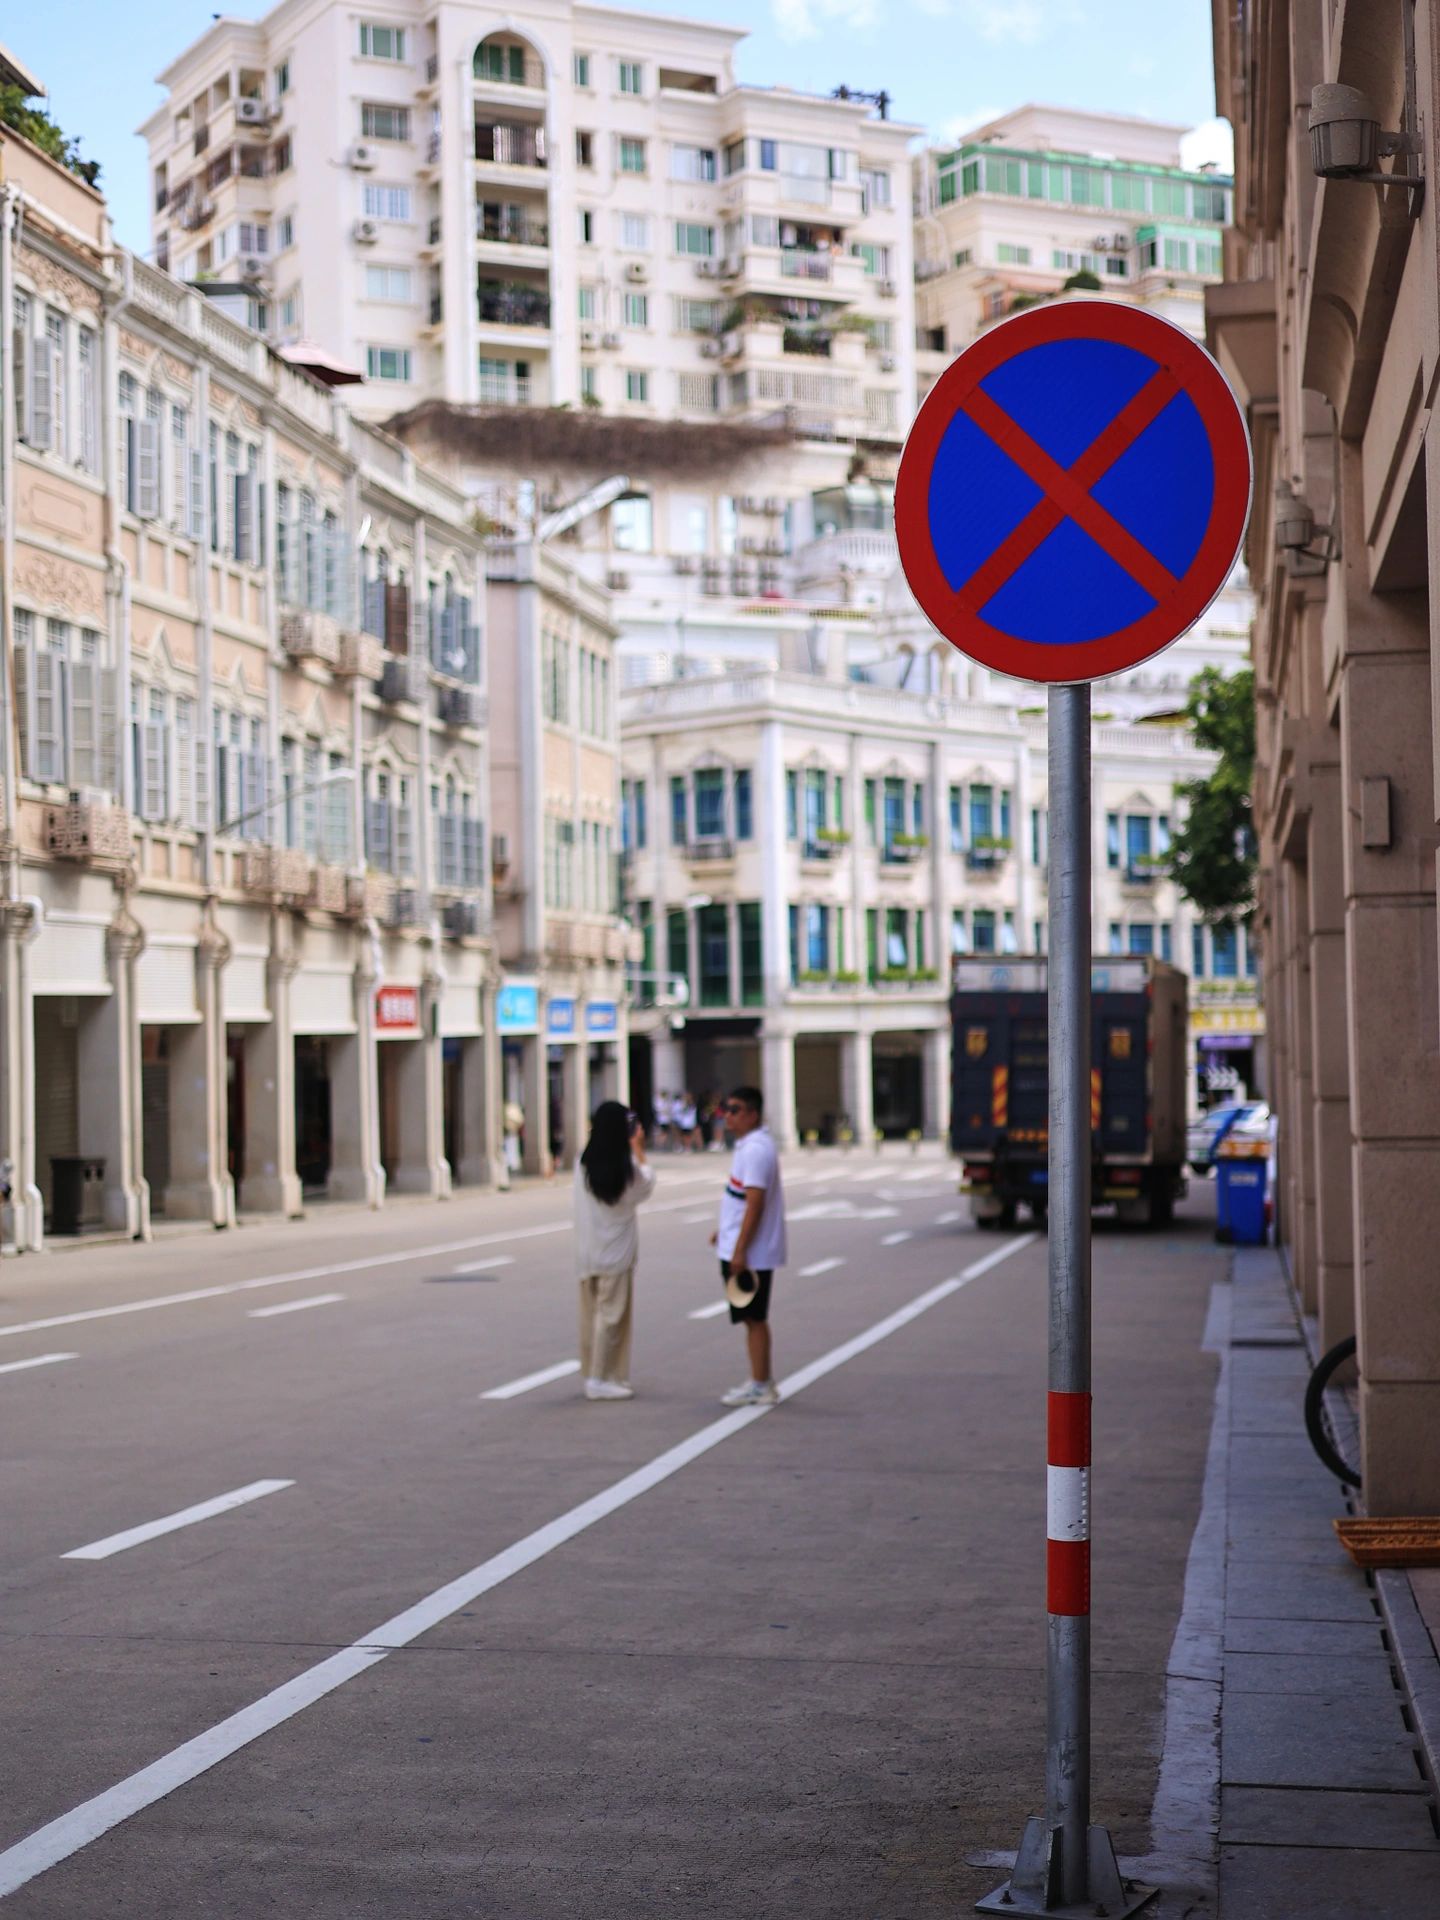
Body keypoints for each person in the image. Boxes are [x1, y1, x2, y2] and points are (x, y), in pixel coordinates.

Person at [574, 1101, 655, 1402]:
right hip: (616, 1253)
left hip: (586, 1251)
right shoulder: (626, 1168)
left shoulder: (582, 1162)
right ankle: (601, 1378)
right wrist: (639, 1149)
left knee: (591, 1316)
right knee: (611, 1316)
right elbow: (646, 1187)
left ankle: (592, 1373)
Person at [711, 1084, 787, 1407]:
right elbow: (739, 1199)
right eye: (726, 1109)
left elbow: (755, 1203)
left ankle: (761, 1384)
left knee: (754, 1318)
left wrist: (740, 1249)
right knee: (750, 1318)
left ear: (753, 1114)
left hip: (750, 1253)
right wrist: (724, 1233)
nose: (728, 1116)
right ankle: (759, 1379)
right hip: (741, 1246)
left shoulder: (756, 1150)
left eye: (736, 1110)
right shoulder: (749, 1146)